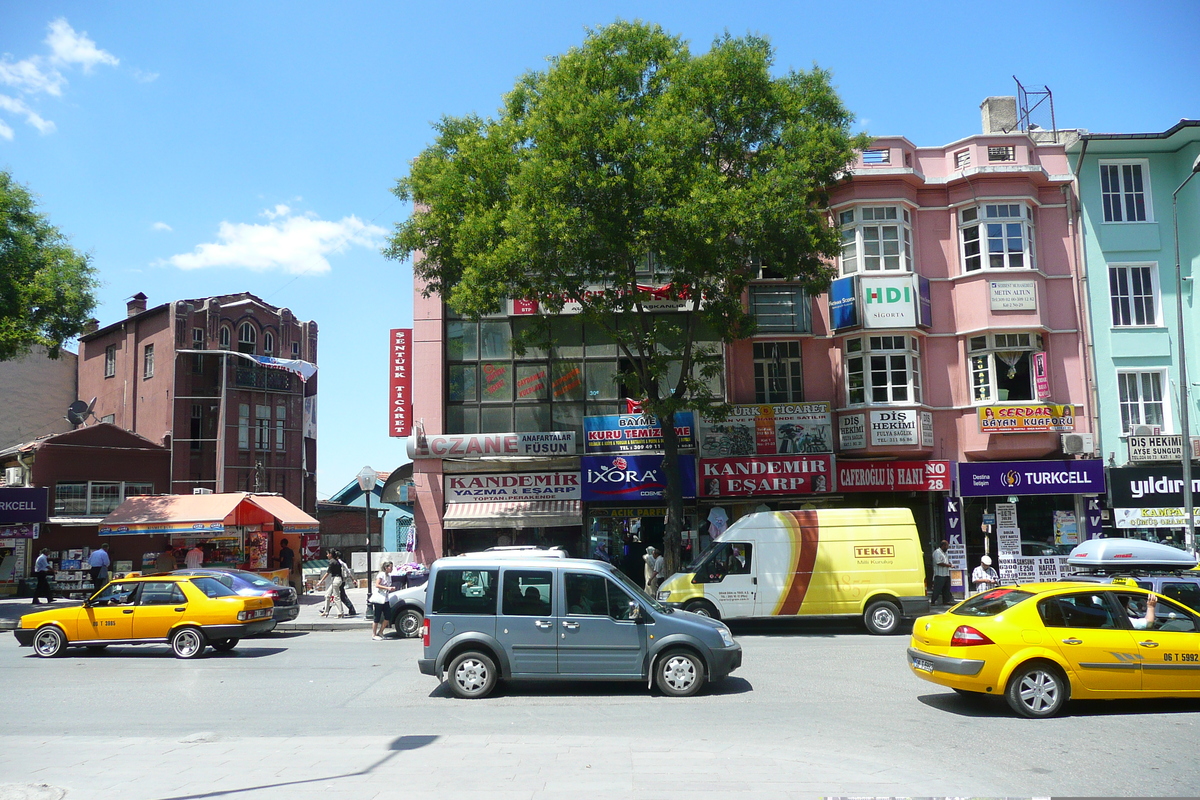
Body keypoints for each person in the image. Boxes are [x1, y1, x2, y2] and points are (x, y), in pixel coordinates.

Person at [316, 552, 346, 617]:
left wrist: (320, 581)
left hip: (336, 580)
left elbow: (328, 572)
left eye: (328, 554)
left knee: (336, 597)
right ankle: (326, 612)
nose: (327, 555)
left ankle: (340, 612)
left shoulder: (332, 562)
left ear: (331, 555)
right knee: (327, 595)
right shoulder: (337, 561)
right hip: (337, 580)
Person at [371, 561, 394, 640]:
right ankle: (374, 634)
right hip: (379, 598)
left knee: (388, 616)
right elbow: (377, 585)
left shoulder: (389, 576)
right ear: (386, 568)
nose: (391, 569)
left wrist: (390, 589)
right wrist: (387, 588)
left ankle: (380, 632)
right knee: (377, 617)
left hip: (386, 599)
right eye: (390, 567)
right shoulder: (381, 574)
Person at [930, 540, 954, 606]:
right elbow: (939, 563)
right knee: (937, 589)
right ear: (943, 546)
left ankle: (946, 601)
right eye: (947, 546)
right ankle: (933, 601)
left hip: (946, 574)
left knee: (946, 589)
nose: (948, 547)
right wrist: (948, 565)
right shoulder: (937, 552)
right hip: (939, 574)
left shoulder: (945, 553)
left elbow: (947, 561)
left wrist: (950, 564)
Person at [335, 551, 358, 616]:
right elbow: (348, 572)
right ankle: (326, 608)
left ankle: (352, 609)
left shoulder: (338, 563)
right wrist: (353, 579)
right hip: (342, 581)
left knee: (341, 596)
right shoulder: (343, 563)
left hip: (339, 582)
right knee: (335, 595)